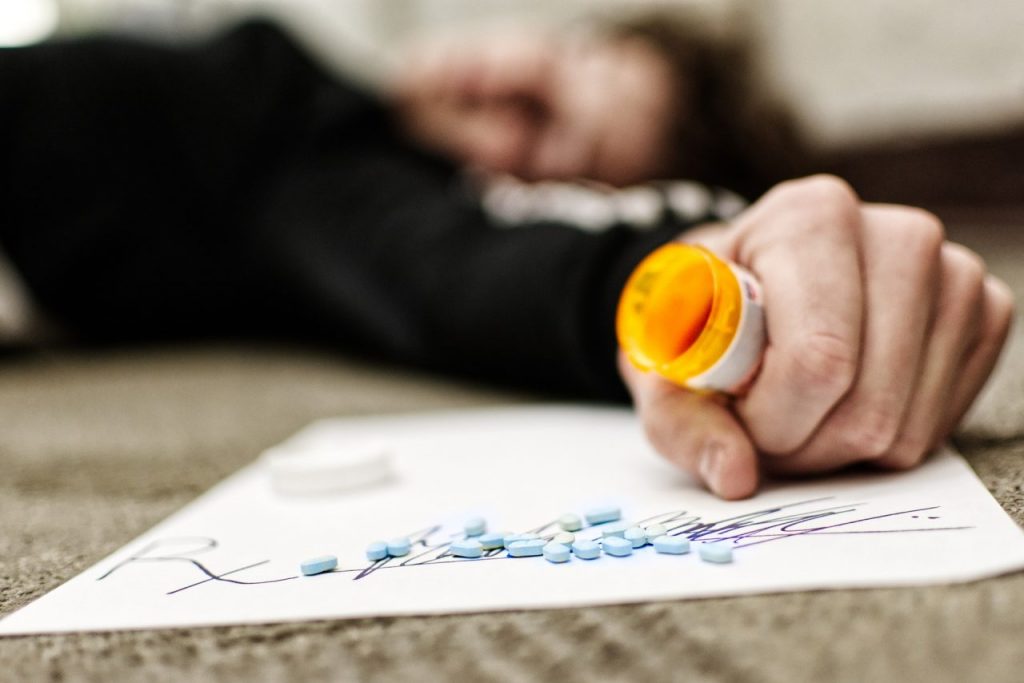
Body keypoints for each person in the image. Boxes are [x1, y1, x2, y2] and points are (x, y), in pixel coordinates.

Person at [0, 19, 1012, 501]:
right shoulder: (315, 99)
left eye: (557, 140)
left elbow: (464, 268)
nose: (511, 90)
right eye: (567, 59)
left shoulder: (341, 186)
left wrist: (698, 278)